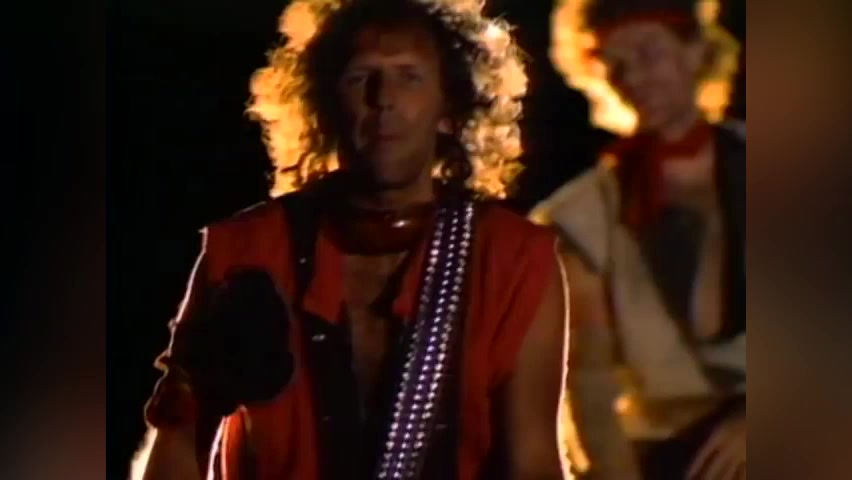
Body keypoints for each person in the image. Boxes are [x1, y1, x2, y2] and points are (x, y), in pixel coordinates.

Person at [134, 0, 571, 479]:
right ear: (325, 106)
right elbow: (177, 438)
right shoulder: (246, 252)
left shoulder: (514, 260)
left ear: (449, 109)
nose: (383, 98)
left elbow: (534, 462)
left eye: (409, 76)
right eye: (360, 77)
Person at [536, 0, 744, 478]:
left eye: (649, 53)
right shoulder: (581, 216)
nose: (633, 78)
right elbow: (588, 381)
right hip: (669, 455)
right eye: (615, 65)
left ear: (696, 49)